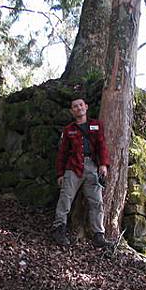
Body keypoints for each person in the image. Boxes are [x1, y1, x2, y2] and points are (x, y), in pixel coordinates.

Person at [52, 96, 111, 247]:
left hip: (92, 166)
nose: (78, 108)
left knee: (96, 201)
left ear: (86, 106)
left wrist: (104, 164)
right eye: (75, 107)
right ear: (72, 111)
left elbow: (102, 146)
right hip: (73, 167)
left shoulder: (96, 125)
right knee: (65, 198)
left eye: (80, 105)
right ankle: (59, 229)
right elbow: (62, 153)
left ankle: (99, 235)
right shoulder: (69, 129)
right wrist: (60, 173)